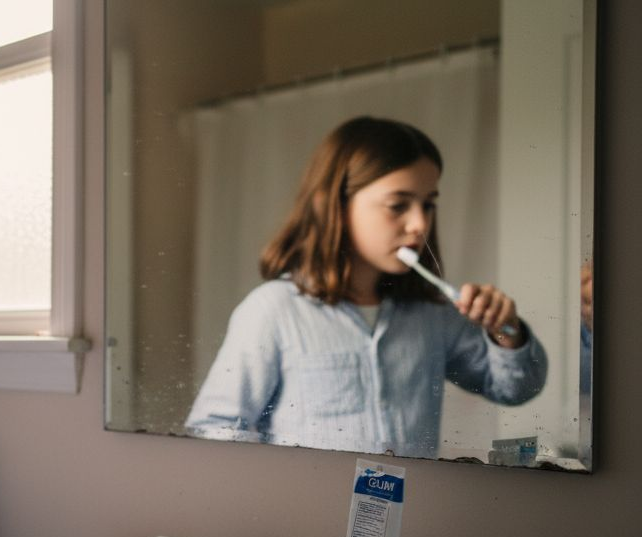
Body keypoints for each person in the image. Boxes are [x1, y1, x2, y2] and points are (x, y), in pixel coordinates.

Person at [185, 116, 547, 458]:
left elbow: (516, 389)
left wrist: (506, 332)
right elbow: (214, 429)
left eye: (428, 204)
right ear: (335, 206)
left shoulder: (434, 317)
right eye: (398, 204)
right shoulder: (273, 310)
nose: (420, 224)